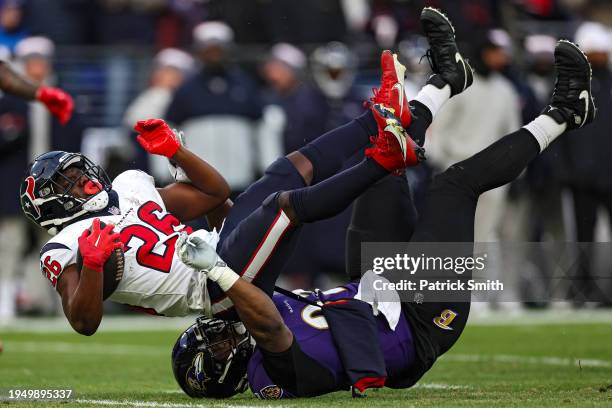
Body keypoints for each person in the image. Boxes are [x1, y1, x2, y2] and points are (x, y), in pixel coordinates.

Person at [170, 8, 595, 400]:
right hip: (419, 319)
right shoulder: (273, 375)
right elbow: (268, 324)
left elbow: (243, 250)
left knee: (377, 164)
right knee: (454, 186)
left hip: (372, 286)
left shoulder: (247, 320)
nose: (220, 333)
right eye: (218, 345)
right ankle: (564, 113)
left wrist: (212, 216)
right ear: (225, 370)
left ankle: (445, 80)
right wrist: (218, 271)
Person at [20, 35, 423, 335]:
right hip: (215, 287)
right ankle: (384, 159)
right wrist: (91, 267)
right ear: (55, 205)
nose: (85, 181)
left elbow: (216, 193)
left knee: (287, 169)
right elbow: (84, 322)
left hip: (223, 246)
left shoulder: (128, 186)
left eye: (80, 173)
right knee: (284, 204)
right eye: (71, 183)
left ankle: (381, 115)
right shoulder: (66, 244)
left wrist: (177, 153)